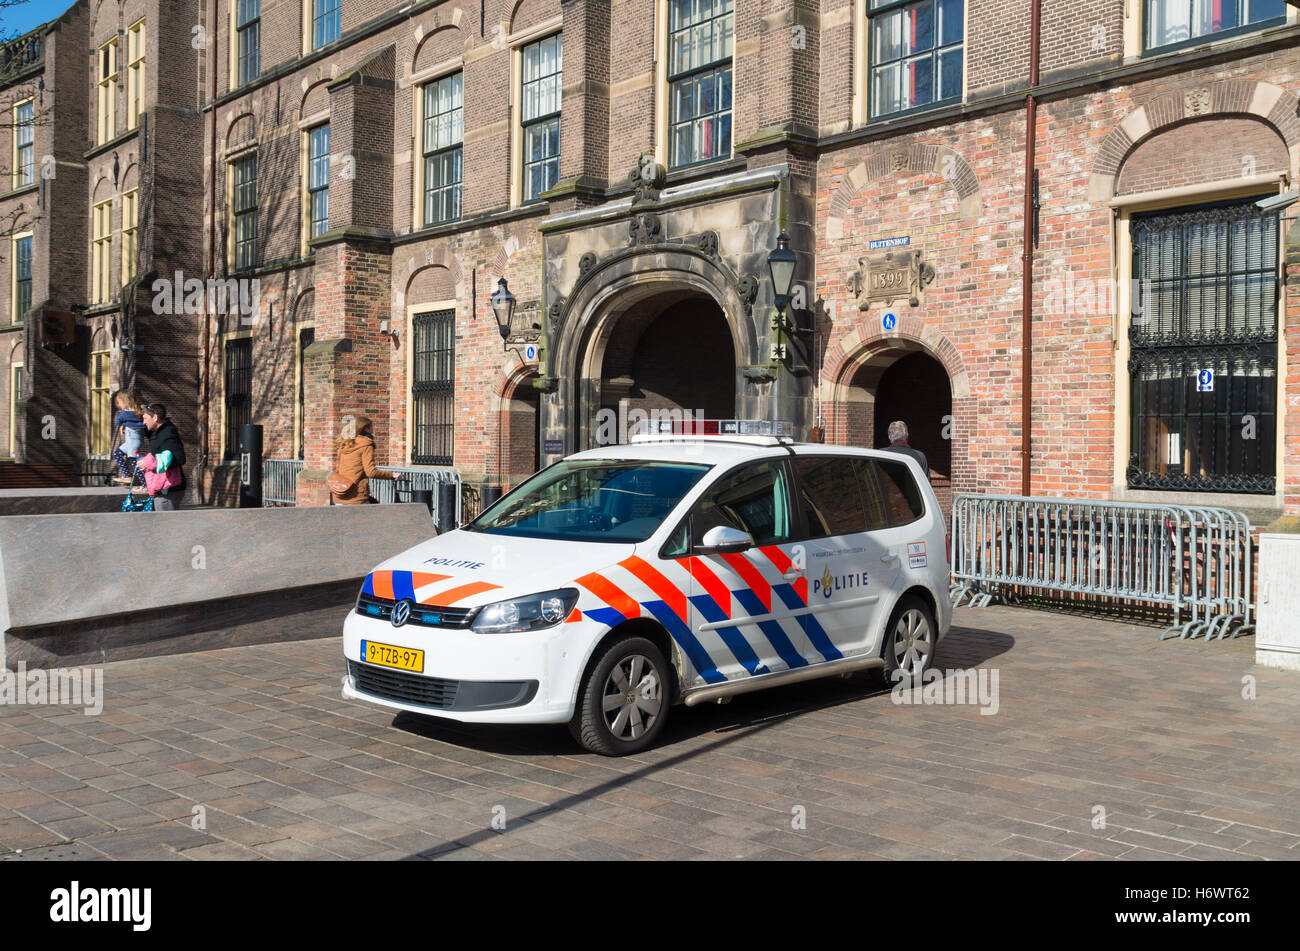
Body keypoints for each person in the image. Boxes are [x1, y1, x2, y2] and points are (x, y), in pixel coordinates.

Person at [332, 414, 396, 504]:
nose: (372, 430)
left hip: (340, 493)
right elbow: (371, 472)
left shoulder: (344, 444)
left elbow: (338, 469)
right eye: (371, 428)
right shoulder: (366, 445)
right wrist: (392, 475)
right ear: (366, 429)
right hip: (356, 496)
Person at [139, 403, 187, 510]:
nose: (143, 422)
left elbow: (180, 458)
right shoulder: (158, 432)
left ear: (155, 417)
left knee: (166, 525)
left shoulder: (168, 434)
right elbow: (142, 428)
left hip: (168, 490)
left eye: (145, 418)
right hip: (162, 489)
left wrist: (149, 462)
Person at [110, 389, 149, 484]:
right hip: (134, 441)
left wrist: (123, 424)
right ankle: (127, 476)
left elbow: (117, 422)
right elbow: (148, 408)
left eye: (119, 403)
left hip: (132, 442)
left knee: (134, 461)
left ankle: (144, 484)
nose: (119, 406)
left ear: (125, 402)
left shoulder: (124, 413)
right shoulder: (140, 410)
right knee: (117, 454)